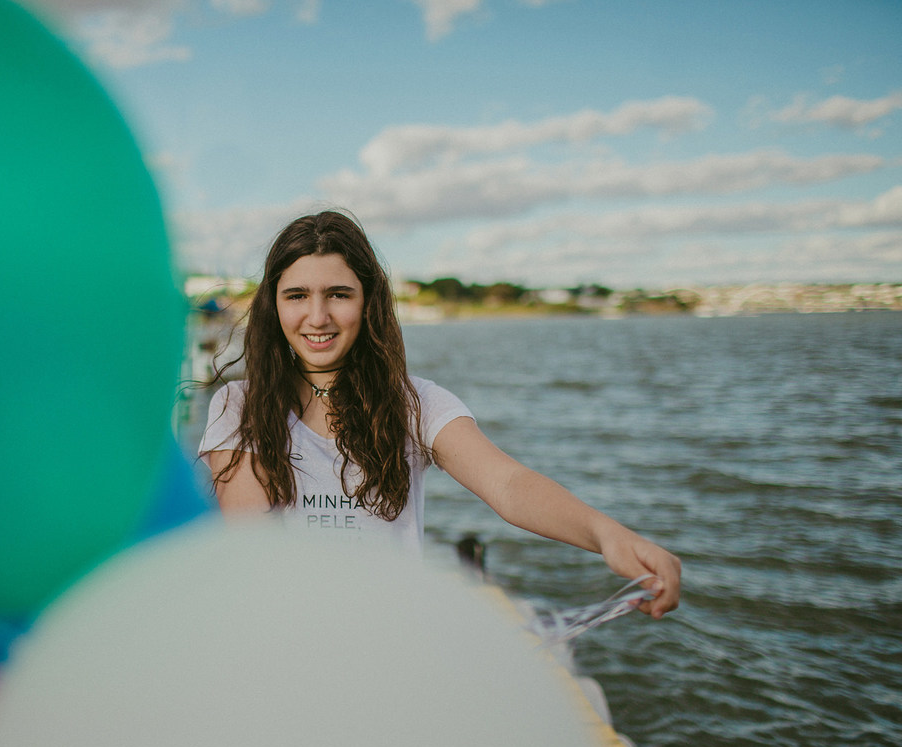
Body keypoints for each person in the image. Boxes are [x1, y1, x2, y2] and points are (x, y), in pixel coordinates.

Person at [198, 210, 680, 619]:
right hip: (288, 646)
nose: (318, 316)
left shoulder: (417, 403)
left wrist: (608, 535)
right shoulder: (238, 407)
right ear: (274, 305)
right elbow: (254, 551)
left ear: (367, 303)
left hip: (394, 650)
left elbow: (508, 485)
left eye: (339, 294)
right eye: (297, 295)